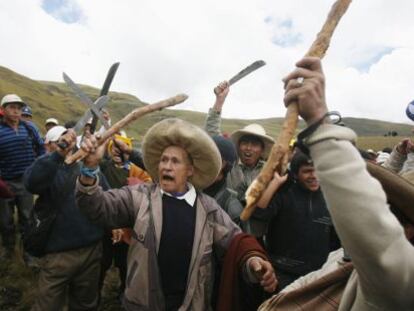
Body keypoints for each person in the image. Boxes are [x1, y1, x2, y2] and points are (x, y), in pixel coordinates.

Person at [259, 56, 414, 310]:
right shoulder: (341, 259)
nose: (386, 220)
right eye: (387, 210)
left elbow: (375, 238)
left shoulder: (398, 285)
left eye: (396, 217)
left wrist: (320, 124)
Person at [76, 118, 277, 310]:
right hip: (143, 305)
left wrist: (253, 262)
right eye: (163, 160)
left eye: (175, 161)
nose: (166, 166)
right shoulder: (139, 197)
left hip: (191, 305)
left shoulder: (208, 209)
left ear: (189, 170)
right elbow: (97, 208)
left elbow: (235, 241)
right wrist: (89, 170)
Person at [24, 127, 107, 311]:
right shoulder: (47, 167)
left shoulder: (88, 168)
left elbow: (106, 198)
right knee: (47, 305)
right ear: (51, 145)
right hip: (57, 255)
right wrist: (57, 156)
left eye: (69, 141)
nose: (67, 145)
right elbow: (31, 183)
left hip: (90, 251)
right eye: (61, 141)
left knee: (85, 304)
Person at [253, 150, 340, 291]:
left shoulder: (329, 197)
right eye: (307, 171)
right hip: (282, 274)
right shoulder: (285, 193)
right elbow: (259, 213)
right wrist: (275, 183)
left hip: (317, 275)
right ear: (295, 173)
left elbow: (336, 240)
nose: (314, 176)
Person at [205, 81, 274, 237]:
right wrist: (219, 102)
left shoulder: (269, 172)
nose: (249, 148)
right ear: (239, 145)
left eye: (255, 144)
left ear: (262, 149)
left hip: (258, 235)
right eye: (245, 143)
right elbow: (212, 136)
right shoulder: (229, 164)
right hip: (222, 228)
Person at [98, 133, 152, 301]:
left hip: (127, 227)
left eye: (120, 149)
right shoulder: (105, 167)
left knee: (125, 263)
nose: (117, 152)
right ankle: (95, 294)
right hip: (106, 225)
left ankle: (124, 293)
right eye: (113, 148)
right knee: (102, 261)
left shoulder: (136, 170)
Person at [0, 94, 45, 260]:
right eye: (12, 107)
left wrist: (38, 167)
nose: (16, 111)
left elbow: (40, 147)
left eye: (19, 108)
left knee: (27, 218)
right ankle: (8, 248)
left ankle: (28, 252)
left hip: (26, 182)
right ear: (3, 110)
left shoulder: (29, 128)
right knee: (5, 220)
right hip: (5, 182)